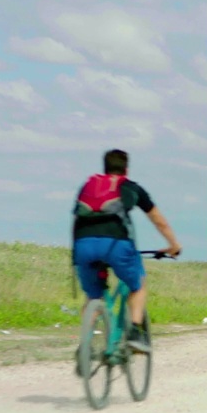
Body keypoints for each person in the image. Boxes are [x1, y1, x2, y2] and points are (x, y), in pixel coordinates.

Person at [72, 149, 182, 354]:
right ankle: (134, 333)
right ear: (126, 169)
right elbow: (159, 220)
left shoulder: (87, 187)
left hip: (83, 245)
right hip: (116, 245)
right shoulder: (129, 187)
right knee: (138, 285)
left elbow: (76, 218)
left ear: (104, 168)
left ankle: (85, 346)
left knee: (92, 295)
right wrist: (173, 245)